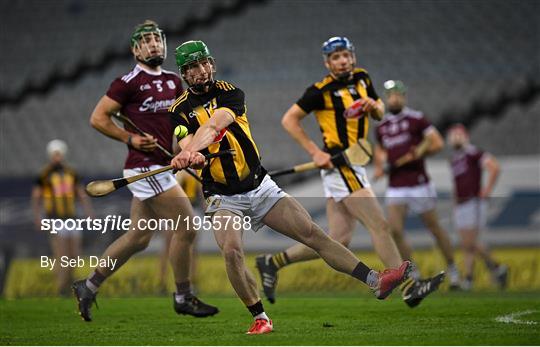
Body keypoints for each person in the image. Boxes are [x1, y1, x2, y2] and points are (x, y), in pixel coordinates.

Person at [169, 39, 412, 335]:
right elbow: (185, 140)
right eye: (193, 66)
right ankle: (259, 316)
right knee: (231, 251)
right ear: (184, 73)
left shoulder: (231, 93)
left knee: (313, 234)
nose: (202, 70)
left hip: (259, 186)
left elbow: (213, 127)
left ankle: (376, 280)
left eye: (204, 62)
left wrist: (191, 149)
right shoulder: (178, 110)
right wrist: (188, 155)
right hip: (222, 194)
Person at [255, 37, 444, 309]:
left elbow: (379, 111)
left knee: (338, 239)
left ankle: (272, 262)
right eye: (336, 57)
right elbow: (289, 119)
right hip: (339, 165)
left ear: (352, 57)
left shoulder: (363, 78)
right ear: (327, 62)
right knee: (379, 224)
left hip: (355, 163)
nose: (342, 61)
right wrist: (314, 152)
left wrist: (373, 106)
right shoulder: (320, 90)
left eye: (345, 55)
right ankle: (410, 287)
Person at [72, 20, 218, 321]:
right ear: (135, 48)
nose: (154, 44)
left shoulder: (173, 81)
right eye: (147, 40)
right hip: (144, 167)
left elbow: (178, 126)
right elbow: (98, 118)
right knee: (187, 226)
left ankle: (88, 285)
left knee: (138, 238)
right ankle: (182, 295)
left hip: (164, 165)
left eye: (157, 39)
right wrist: (130, 138)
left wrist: (186, 151)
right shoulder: (126, 83)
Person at [373, 80, 460, 289]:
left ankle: (454, 270)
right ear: (386, 98)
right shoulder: (382, 126)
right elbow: (380, 151)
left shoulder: (417, 119)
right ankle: (415, 273)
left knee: (434, 228)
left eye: (398, 94)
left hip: (418, 182)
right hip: (396, 185)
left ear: (404, 96)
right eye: (390, 94)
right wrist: (379, 166)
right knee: (394, 230)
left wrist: (418, 154)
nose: (394, 98)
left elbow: (437, 142)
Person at [447, 124, 508, 290]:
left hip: (472, 203)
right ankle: (488, 271)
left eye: (458, 134)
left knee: (470, 243)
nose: (455, 138)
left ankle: (474, 276)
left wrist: (487, 189)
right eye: (453, 135)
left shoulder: (473, 153)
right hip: (461, 205)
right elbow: (457, 184)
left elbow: (494, 167)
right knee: (466, 244)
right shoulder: (454, 158)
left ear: (466, 136)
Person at [32, 139, 94, 296]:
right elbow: (36, 197)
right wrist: (38, 217)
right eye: (55, 154)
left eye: (59, 154)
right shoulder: (45, 175)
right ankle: (61, 288)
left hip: (71, 218)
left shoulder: (70, 173)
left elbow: (81, 194)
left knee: (74, 255)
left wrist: (88, 212)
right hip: (55, 219)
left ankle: (69, 284)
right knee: (61, 255)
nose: (57, 157)